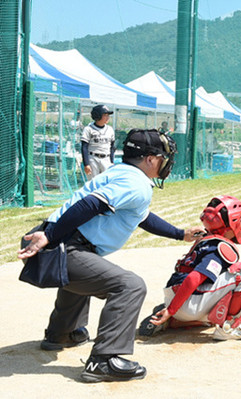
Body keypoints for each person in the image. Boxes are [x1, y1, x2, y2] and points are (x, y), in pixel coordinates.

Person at [18, 129, 204, 383]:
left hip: (59, 244)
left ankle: (62, 334)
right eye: (163, 156)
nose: (166, 162)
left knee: (88, 270)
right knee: (130, 285)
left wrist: (179, 233)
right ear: (150, 158)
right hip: (58, 245)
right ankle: (104, 360)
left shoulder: (122, 173)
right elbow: (90, 205)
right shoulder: (136, 183)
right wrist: (50, 236)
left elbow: (141, 216)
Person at [138, 195, 241, 341]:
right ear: (230, 225)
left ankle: (176, 320)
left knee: (227, 280)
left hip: (176, 297)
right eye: (240, 220)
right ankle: (229, 328)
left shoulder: (206, 240)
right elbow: (194, 278)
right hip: (187, 302)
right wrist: (171, 310)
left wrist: (172, 308)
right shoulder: (220, 247)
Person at [81, 104, 116, 178]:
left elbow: (112, 147)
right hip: (93, 158)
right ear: (98, 116)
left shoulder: (110, 129)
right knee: (93, 183)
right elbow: (84, 147)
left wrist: (112, 161)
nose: (108, 117)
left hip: (106, 159)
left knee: (106, 182)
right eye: (105, 115)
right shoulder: (88, 129)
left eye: (108, 115)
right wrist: (86, 164)